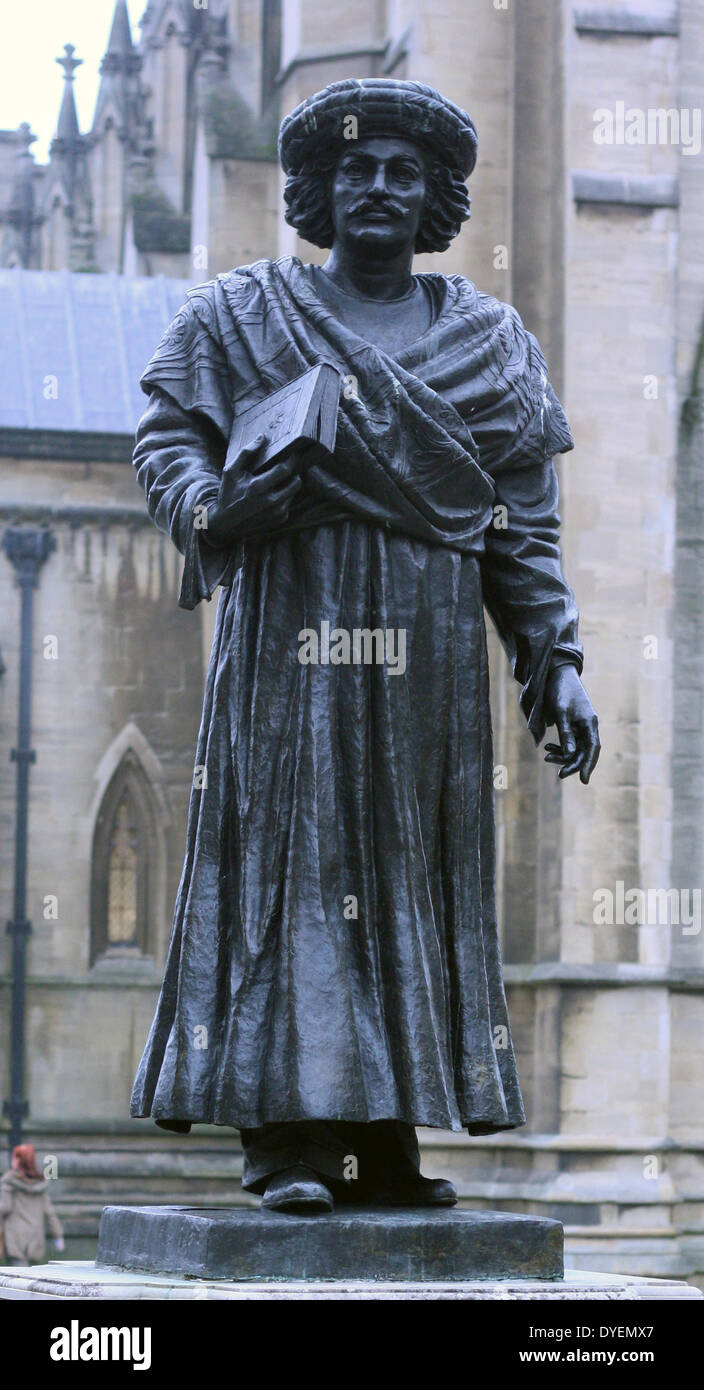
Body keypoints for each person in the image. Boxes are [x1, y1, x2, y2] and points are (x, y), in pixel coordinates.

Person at [129, 79, 600, 1212]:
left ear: (435, 196)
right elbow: (164, 440)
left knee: (406, 876)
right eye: (355, 170)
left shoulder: (490, 343)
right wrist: (215, 506)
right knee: (295, 865)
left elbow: (518, 531)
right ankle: (286, 1145)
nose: (378, 188)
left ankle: (378, 1145)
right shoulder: (240, 316)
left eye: (402, 172)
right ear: (318, 191)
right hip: (290, 641)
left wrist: (556, 661)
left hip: (427, 666)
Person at [0, 1144, 64, 1264]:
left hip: (15, 1236)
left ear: (18, 1160)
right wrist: (58, 1235)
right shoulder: (40, 1183)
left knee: (17, 1277)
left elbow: (6, 1207)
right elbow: (49, 1212)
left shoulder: (9, 1181)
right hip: (35, 1236)